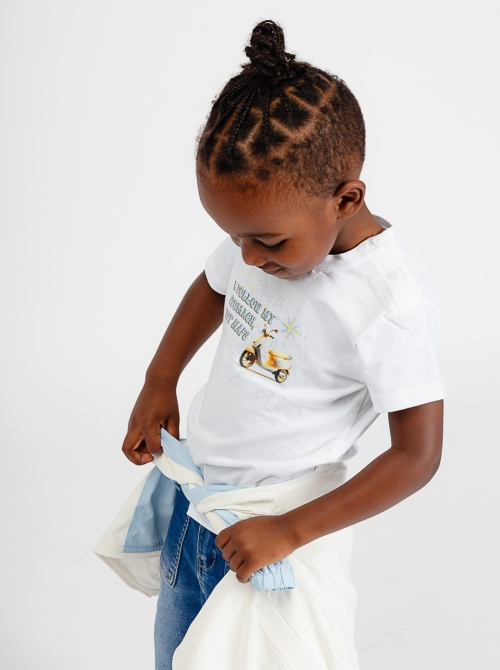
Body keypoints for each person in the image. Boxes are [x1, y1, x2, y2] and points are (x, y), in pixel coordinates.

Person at [121, 19, 446, 669]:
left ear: (346, 198)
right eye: (234, 236)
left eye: (266, 242)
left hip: (280, 538)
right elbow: (213, 287)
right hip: (197, 508)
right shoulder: (263, 230)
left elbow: (418, 455)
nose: (247, 256)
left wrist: (289, 531)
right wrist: (160, 380)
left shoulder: (389, 305)